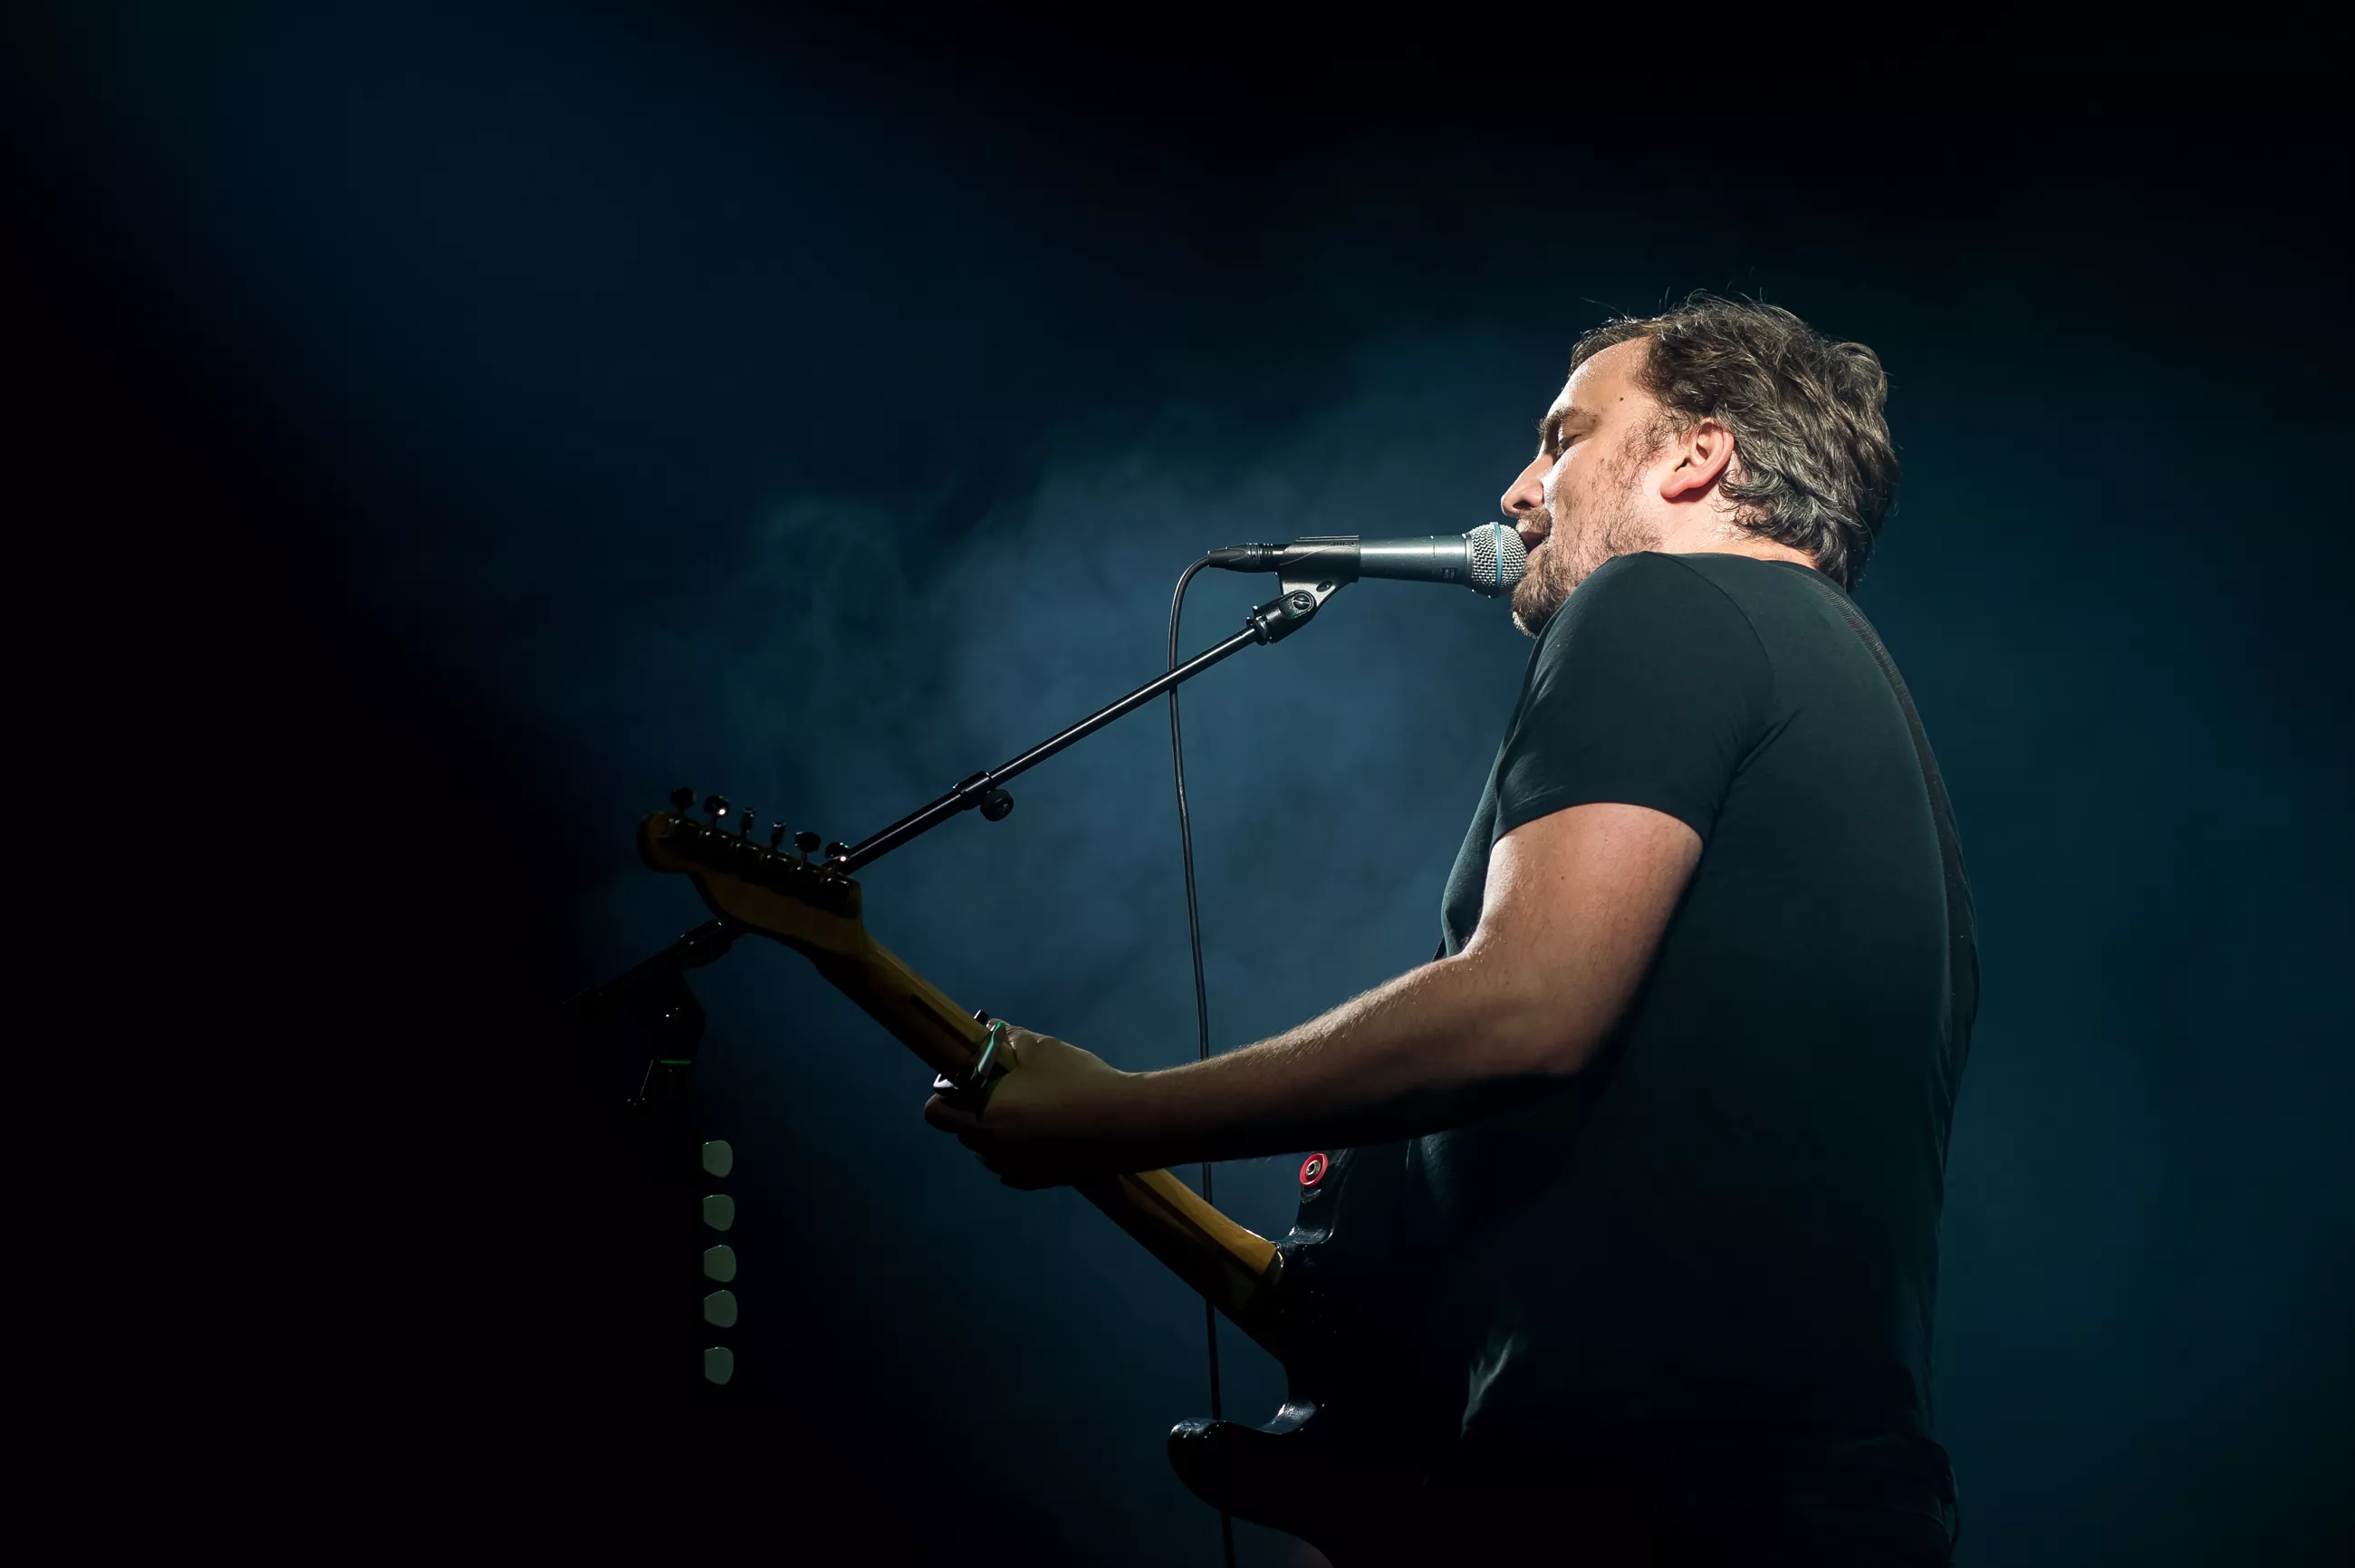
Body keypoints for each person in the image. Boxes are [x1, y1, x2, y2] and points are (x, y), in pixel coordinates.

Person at [925, 294, 1975, 1565]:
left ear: (1699, 455)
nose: (1520, 488)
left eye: (1564, 437)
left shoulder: (1663, 603)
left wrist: (1115, 1112)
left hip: (1647, 1501)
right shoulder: (1868, 723)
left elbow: (1530, 1006)